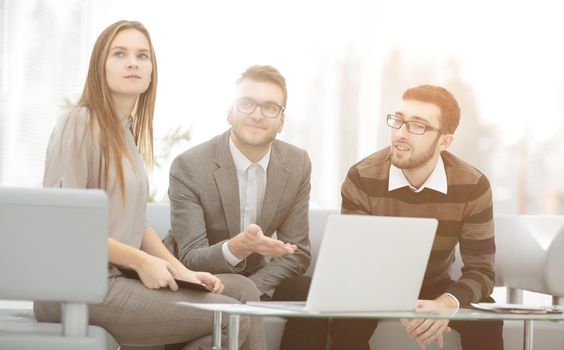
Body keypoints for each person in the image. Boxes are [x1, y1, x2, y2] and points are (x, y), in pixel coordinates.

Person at [34, 20, 266, 350]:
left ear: (151, 70)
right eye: (120, 54)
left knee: (243, 291)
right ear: (100, 66)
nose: (133, 62)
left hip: (116, 277)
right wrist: (142, 262)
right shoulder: (79, 122)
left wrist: (181, 270)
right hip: (78, 287)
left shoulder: (125, 132)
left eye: (142, 56)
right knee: (229, 316)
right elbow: (66, 226)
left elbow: (136, 224)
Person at [329, 85, 504, 350]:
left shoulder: (472, 185)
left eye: (417, 126)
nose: (400, 133)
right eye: (398, 120)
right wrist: (397, 304)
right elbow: (358, 265)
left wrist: (445, 305)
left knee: (486, 317)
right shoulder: (362, 177)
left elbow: (482, 270)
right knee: (346, 318)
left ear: (444, 141)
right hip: (375, 288)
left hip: (437, 286)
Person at [167, 65, 328, 350]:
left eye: (270, 107)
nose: (257, 114)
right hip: (203, 277)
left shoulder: (297, 163)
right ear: (229, 111)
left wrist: (252, 287)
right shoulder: (190, 166)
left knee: (312, 290)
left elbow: (298, 252)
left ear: (281, 121)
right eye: (247, 103)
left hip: (257, 276)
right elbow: (191, 257)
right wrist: (236, 248)